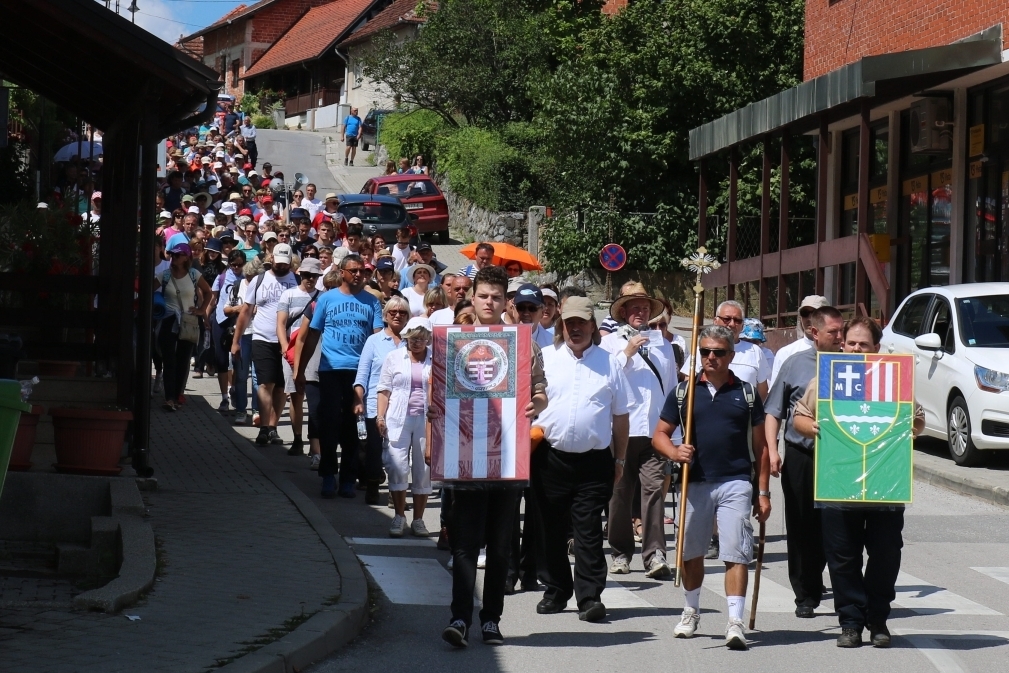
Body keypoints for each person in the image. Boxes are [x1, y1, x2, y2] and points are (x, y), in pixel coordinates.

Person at [792, 316, 924, 648]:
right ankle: (850, 623)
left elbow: (917, 418)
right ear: (842, 345)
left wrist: (912, 429)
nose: (855, 348)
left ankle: (878, 621)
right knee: (843, 558)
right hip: (838, 485)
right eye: (850, 343)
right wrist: (815, 430)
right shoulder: (826, 378)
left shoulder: (895, 379)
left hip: (885, 487)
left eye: (863, 343)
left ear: (876, 348)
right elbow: (799, 418)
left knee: (885, 556)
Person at [438, 266, 549, 648]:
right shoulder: (453, 341)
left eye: (496, 297)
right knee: (465, 543)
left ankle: (491, 620)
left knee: (501, 545)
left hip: (508, 455)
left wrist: (535, 404)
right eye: (483, 295)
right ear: (472, 297)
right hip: (466, 453)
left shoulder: (523, 343)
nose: (489, 302)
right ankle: (459, 617)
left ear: (507, 302)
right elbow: (440, 397)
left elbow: (540, 390)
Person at [652, 325, 770, 650]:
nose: (711, 358)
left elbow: (760, 448)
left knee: (736, 552)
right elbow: (659, 435)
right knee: (691, 552)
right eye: (705, 352)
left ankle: (735, 622)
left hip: (735, 481)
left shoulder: (746, 394)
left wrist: (762, 493)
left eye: (718, 352)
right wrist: (675, 452)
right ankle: (691, 611)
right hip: (696, 482)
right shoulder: (684, 392)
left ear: (731, 355)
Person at [532, 296, 629, 624]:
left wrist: (621, 461)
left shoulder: (610, 362)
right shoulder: (545, 359)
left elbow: (621, 416)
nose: (575, 328)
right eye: (569, 322)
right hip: (550, 458)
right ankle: (557, 589)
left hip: (594, 462)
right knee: (552, 528)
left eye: (581, 323)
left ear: (593, 326)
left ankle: (589, 597)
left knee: (587, 529)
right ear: (561, 325)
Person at [763, 305, 843, 618]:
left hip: (840, 457)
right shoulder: (795, 364)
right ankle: (805, 594)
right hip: (802, 454)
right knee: (800, 524)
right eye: (833, 332)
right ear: (814, 333)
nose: (839, 337)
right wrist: (772, 449)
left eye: (841, 331)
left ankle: (834, 586)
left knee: (834, 525)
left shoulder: (852, 364)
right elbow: (774, 411)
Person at [601, 288, 675, 579]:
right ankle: (620, 552)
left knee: (655, 490)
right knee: (619, 494)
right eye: (635, 308)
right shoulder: (608, 344)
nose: (641, 313)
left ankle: (655, 553)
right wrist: (626, 354)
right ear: (623, 312)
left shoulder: (664, 345)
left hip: (654, 429)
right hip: (622, 430)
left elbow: (670, 389)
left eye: (645, 308)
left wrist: (674, 432)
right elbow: (606, 381)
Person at [297, 254, 384, 498]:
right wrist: (301, 370)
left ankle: (348, 477)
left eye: (361, 271)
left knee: (354, 426)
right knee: (329, 423)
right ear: (342, 272)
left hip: (360, 372)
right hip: (331, 369)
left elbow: (377, 336)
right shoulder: (327, 299)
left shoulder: (371, 302)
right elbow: (312, 335)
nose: (358, 275)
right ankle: (327, 475)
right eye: (353, 270)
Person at [231, 243, 299, 446]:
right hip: (262, 338)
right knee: (264, 383)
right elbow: (245, 312)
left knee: (280, 388)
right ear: (272, 259)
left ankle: (273, 427)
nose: (282, 267)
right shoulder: (259, 280)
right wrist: (236, 341)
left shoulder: (295, 281)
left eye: (286, 264)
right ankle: (264, 427)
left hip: (287, 341)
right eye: (279, 263)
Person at [377, 316, 433, 537]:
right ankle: (399, 516)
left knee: (424, 470)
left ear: (428, 339)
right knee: (397, 466)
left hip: (426, 420)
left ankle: (418, 520)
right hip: (398, 418)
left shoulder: (436, 360)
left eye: (421, 338)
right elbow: (384, 389)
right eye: (412, 338)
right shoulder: (393, 358)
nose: (416, 342)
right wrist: (380, 417)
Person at [354, 296, 411, 503]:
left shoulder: (411, 342)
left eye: (402, 312)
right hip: (373, 405)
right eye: (393, 312)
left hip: (402, 406)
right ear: (385, 316)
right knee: (374, 449)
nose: (397, 315)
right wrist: (358, 398)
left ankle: (396, 492)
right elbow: (362, 373)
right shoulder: (374, 341)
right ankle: (372, 484)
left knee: (398, 453)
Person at [155, 242, 212, 411]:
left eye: (178, 255)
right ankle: (169, 398)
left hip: (188, 321)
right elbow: (147, 290)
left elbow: (208, 292)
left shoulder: (194, 274)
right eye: (172, 255)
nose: (174, 257)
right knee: (169, 360)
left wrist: (202, 310)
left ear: (187, 257)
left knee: (183, 360)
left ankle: (177, 394)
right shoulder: (164, 275)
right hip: (168, 320)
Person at [277, 257, 322, 457]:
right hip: (292, 350)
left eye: (313, 276)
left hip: (315, 352)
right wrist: (287, 349)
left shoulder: (323, 297)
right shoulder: (288, 295)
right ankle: (297, 438)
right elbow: (280, 324)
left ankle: (316, 443)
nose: (310, 279)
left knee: (313, 398)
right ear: (300, 275)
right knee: (295, 395)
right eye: (306, 275)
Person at [213, 250, 248, 419]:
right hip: (221, 319)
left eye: (240, 265)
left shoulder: (247, 279)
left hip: (238, 322)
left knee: (236, 358)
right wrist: (207, 317)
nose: (236, 268)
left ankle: (234, 388)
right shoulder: (221, 277)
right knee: (221, 359)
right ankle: (224, 398)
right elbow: (214, 298)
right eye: (233, 264)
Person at [770, 295, 829, 387]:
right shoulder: (786, 354)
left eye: (815, 313)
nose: (809, 318)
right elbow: (776, 395)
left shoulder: (840, 353)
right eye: (805, 313)